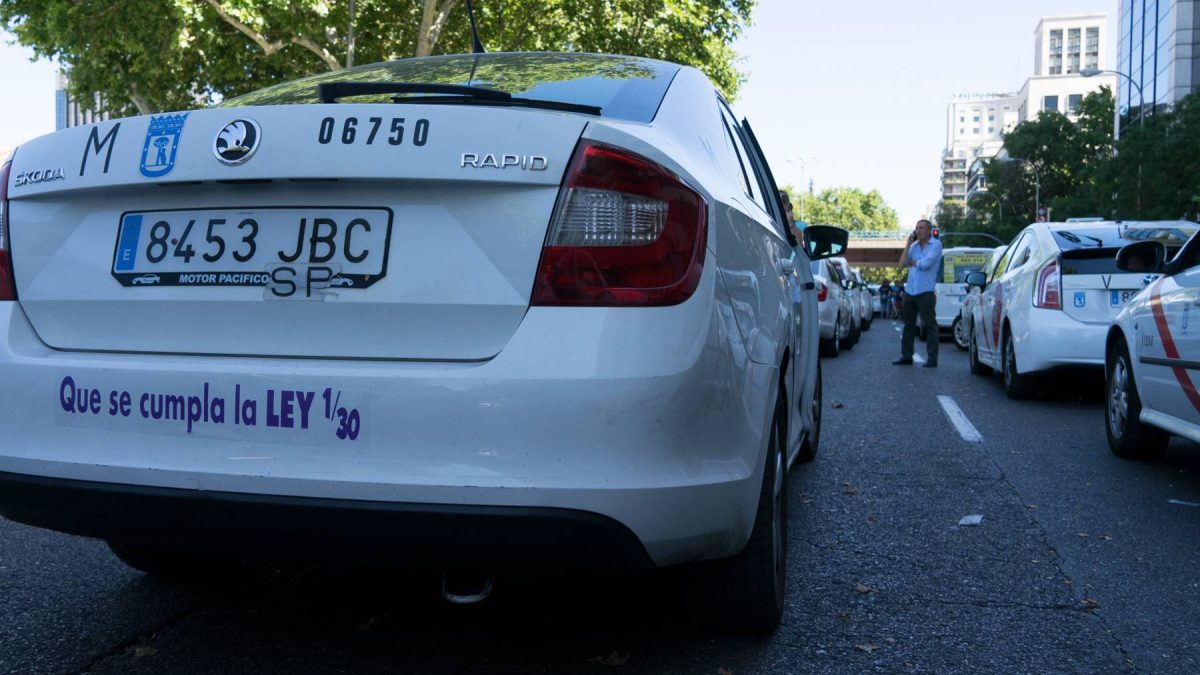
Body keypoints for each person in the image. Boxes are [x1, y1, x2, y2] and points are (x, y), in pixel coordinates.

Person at [894, 219, 943, 367]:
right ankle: (906, 356)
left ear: (929, 230)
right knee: (908, 325)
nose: (918, 230)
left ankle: (932, 359)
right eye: (917, 228)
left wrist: (914, 262)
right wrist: (908, 244)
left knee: (930, 325)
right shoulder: (913, 246)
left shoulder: (936, 244)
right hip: (910, 290)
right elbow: (902, 264)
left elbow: (926, 264)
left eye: (921, 228)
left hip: (926, 291)